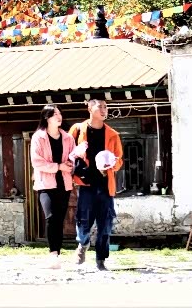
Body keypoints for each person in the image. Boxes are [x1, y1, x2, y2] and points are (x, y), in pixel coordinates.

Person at [68, 97, 123, 271]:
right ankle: (82, 244)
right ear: (90, 109)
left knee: (105, 224)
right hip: (86, 184)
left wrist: (112, 163)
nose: (104, 110)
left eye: (106, 107)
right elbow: (67, 153)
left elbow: (119, 161)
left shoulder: (113, 135)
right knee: (83, 221)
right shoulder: (78, 130)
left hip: (106, 185)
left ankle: (101, 259)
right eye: (100, 107)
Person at [29, 104, 75, 268]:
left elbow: (73, 157)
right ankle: (53, 254)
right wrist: (58, 166)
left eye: (60, 113)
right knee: (51, 217)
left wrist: (71, 163)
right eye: (55, 114)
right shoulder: (38, 137)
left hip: (64, 183)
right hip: (45, 184)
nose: (59, 116)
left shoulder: (68, 138)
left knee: (59, 219)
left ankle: (57, 255)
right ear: (46, 117)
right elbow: (37, 162)